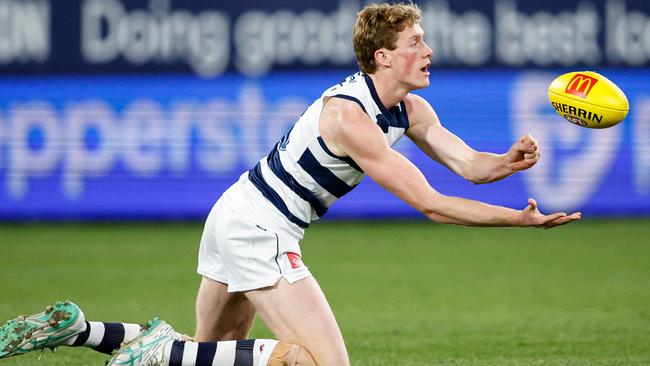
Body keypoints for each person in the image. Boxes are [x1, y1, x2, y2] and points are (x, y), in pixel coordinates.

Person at [0, 3, 581, 366]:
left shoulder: (410, 111)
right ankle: (151, 349)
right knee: (318, 364)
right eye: (415, 45)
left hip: (236, 213)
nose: (428, 51)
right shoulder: (350, 115)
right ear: (383, 56)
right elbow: (430, 205)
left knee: (205, 359)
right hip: (259, 229)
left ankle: (85, 331)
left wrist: (507, 160)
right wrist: (521, 221)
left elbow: (470, 165)